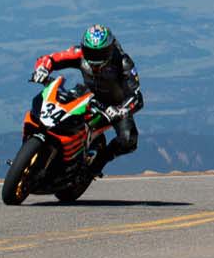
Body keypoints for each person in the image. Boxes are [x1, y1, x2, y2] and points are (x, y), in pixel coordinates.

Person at [32, 24, 143, 175]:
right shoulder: (79, 53)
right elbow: (51, 58)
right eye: (90, 52)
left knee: (128, 140)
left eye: (100, 53)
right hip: (86, 95)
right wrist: (42, 69)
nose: (94, 58)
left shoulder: (123, 63)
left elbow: (136, 95)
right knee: (56, 106)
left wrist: (121, 110)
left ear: (110, 49)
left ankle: (97, 164)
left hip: (114, 106)